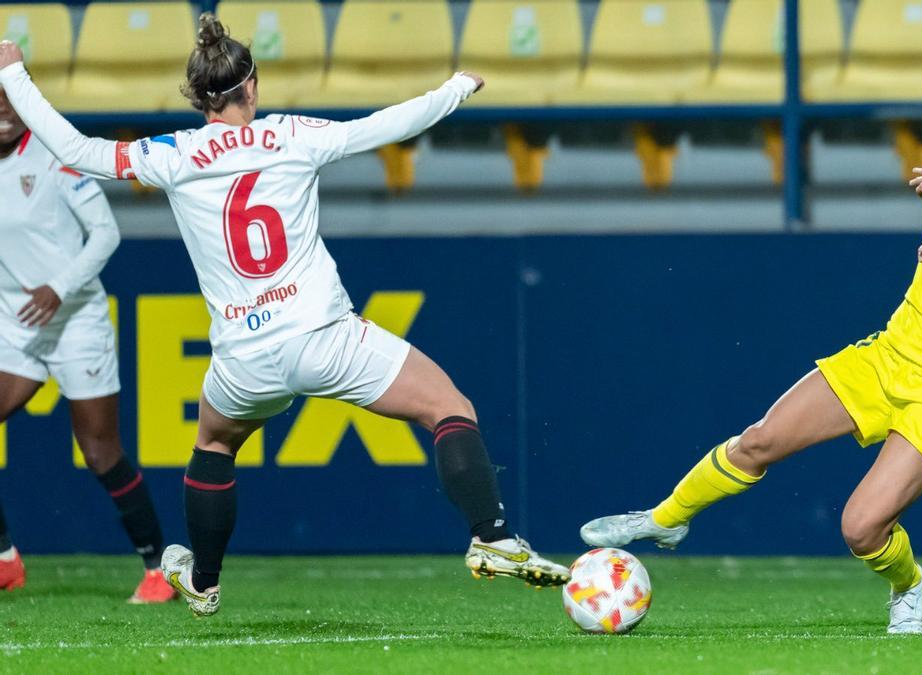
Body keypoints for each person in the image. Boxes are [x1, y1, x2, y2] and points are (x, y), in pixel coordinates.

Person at [0, 14, 568, 618]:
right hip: (323, 336)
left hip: (244, 357)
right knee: (449, 408)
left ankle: (205, 579)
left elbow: (75, 150)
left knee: (214, 442)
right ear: (252, 87)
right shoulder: (292, 135)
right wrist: (454, 88)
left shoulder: (171, 154)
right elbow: (384, 126)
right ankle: (492, 535)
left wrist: (15, 73)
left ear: (198, 96)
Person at [580, 50, 922, 635]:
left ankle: (908, 585)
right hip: (890, 356)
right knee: (761, 440)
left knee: (861, 528)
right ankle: (667, 519)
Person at [0, 87, 174, 603]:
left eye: (9, 101)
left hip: (74, 320)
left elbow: (105, 233)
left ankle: (158, 570)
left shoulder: (55, 155)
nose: (3, 112)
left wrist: (60, 288)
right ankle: (5, 560)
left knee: (100, 452)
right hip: (16, 324)